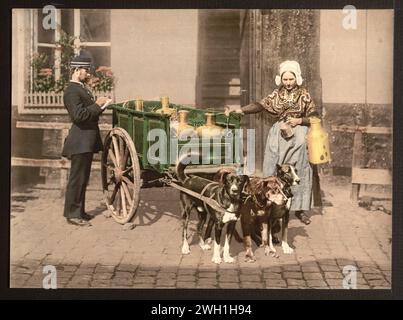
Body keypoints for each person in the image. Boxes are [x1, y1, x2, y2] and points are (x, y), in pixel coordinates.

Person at [226, 60, 320, 225]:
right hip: (278, 134)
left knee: (299, 171)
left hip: (298, 137)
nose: (288, 83)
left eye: (291, 79)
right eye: (285, 79)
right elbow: (259, 105)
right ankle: (274, 207)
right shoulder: (276, 95)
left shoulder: (305, 96)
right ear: (280, 79)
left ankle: (300, 208)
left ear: (297, 78)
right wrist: (241, 110)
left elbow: (315, 117)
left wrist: (299, 120)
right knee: (273, 165)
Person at [62, 53, 110, 226]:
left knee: (83, 178)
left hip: (86, 141)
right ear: (76, 70)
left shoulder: (81, 88)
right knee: (77, 178)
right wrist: (97, 105)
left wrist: (101, 105)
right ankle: (72, 214)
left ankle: (79, 211)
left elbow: (89, 113)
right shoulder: (71, 91)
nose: (88, 73)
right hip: (79, 141)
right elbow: (79, 116)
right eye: (85, 70)